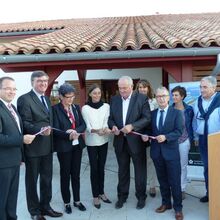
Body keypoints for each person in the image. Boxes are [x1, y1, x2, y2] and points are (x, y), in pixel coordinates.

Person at [17, 71, 63, 220]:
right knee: (32, 181)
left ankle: (46, 207)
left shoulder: (47, 99)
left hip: (47, 147)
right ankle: (35, 211)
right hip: (33, 148)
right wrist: (40, 130)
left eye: (45, 81)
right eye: (39, 81)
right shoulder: (24, 99)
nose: (43, 83)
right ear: (32, 82)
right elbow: (24, 122)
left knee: (46, 179)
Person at [108, 76, 151, 210]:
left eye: (124, 88)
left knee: (140, 171)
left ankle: (141, 197)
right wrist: (113, 126)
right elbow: (110, 119)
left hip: (136, 142)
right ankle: (122, 196)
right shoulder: (114, 99)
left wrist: (132, 126)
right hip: (120, 141)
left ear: (131, 87)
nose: (122, 91)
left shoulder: (141, 98)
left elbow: (147, 118)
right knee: (122, 171)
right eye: (120, 88)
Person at [142, 87, 183, 220]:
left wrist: (166, 137)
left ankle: (178, 208)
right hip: (157, 153)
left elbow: (178, 131)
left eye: (164, 96)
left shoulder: (176, 113)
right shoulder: (152, 113)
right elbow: (148, 130)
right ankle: (166, 203)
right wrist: (145, 135)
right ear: (156, 97)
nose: (161, 98)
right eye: (158, 96)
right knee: (163, 180)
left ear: (168, 97)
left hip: (171, 153)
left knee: (175, 181)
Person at [0, 77, 35, 220]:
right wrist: (22, 139)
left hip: (13, 161)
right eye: (8, 88)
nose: (12, 91)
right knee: (2, 199)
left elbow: (15, 131)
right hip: (3, 164)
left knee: (12, 197)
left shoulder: (11, 107)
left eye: (14, 89)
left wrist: (20, 156)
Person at [53, 83, 86, 214]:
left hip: (77, 146)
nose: (71, 99)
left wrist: (75, 131)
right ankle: (67, 202)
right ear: (60, 96)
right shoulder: (54, 109)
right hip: (64, 147)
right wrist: (68, 135)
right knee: (65, 175)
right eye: (68, 97)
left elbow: (83, 124)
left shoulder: (76, 107)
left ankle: (77, 200)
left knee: (76, 175)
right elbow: (54, 129)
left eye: (72, 96)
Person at [82, 84, 112, 209]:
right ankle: (95, 196)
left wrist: (105, 128)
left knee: (101, 167)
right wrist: (96, 131)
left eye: (99, 93)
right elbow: (87, 126)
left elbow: (106, 120)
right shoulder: (85, 108)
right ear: (90, 94)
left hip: (104, 140)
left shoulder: (106, 106)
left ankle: (102, 192)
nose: (97, 95)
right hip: (92, 141)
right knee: (94, 168)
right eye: (94, 93)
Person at [193, 75, 220, 203]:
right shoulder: (197, 102)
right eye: (200, 87)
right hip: (204, 139)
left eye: (205, 87)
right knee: (207, 168)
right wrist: (196, 136)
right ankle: (210, 193)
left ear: (214, 87)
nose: (202, 90)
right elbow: (195, 122)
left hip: (218, 140)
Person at [136, 79, 158, 198]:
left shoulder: (154, 102)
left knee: (150, 162)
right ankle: (140, 186)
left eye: (144, 87)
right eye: (140, 87)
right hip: (137, 136)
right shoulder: (133, 101)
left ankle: (152, 185)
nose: (142, 89)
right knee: (139, 163)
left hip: (150, 136)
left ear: (149, 88)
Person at [172, 86, 194, 200]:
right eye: (173, 95)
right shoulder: (170, 109)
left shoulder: (189, 109)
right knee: (172, 166)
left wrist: (192, 139)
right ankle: (174, 188)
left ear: (182, 96)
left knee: (183, 166)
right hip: (171, 142)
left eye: (176, 95)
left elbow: (191, 125)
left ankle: (182, 189)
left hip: (184, 141)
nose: (174, 97)